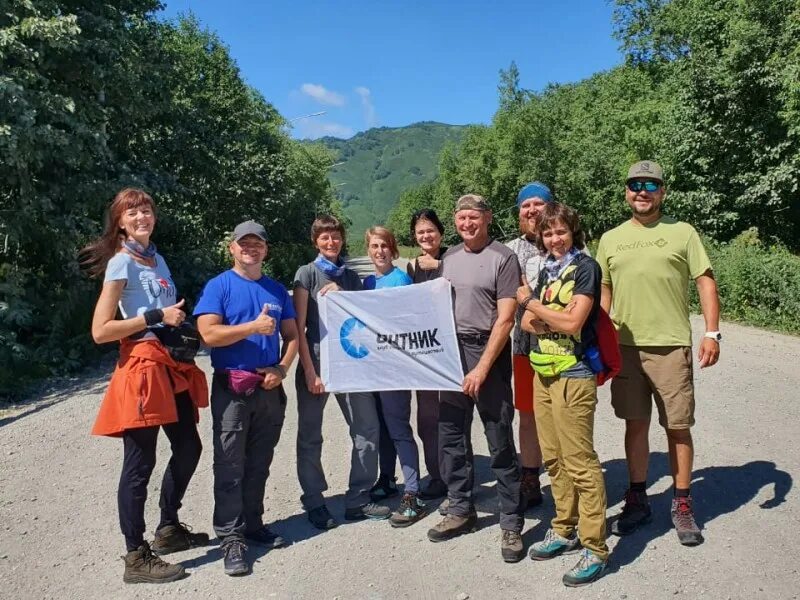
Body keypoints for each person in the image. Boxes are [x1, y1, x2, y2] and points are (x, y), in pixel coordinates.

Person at [84, 188, 208, 584]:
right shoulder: (121, 264)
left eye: (147, 209)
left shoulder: (156, 257)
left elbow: (164, 313)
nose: (142, 216)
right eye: (132, 211)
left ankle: (168, 528)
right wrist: (155, 315)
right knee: (140, 462)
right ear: (120, 221)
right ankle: (136, 555)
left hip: (170, 365)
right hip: (141, 367)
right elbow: (101, 331)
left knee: (189, 445)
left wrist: (179, 322)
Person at [596, 160, 720, 546]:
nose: (642, 191)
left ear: (662, 191)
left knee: (677, 426)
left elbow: (705, 280)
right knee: (635, 424)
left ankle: (682, 503)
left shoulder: (682, 232)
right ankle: (637, 498)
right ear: (626, 192)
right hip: (625, 347)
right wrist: (599, 338)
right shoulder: (610, 239)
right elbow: (603, 293)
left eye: (651, 184)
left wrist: (712, 333)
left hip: (670, 346)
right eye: (635, 184)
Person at [194, 220, 299, 576]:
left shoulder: (276, 290)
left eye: (257, 244)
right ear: (233, 248)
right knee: (229, 464)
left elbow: (292, 336)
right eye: (244, 244)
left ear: (265, 250)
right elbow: (207, 333)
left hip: (269, 386)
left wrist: (282, 369)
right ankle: (231, 537)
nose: (250, 249)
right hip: (232, 387)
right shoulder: (219, 286)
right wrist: (251, 328)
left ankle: (253, 524)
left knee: (259, 462)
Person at [426, 194, 526, 564]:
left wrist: (482, 367)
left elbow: (505, 320)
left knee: (498, 436)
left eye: (474, 217)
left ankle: (512, 522)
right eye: (461, 217)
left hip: (488, 353)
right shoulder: (449, 258)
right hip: (451, 353)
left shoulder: (504, 258)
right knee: (451, 434)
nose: (467, 223)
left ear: (487, 218)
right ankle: (460, 509)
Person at [516, 202, 609, 587]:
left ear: (573, 232)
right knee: (553, 459)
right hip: (543, 373)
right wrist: (545, 312)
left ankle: (596, 548)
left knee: (580, 462)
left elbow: (573, 322)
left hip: (573, 373)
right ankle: (563, 527)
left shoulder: (585, 267)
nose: (555, 239)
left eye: (561, 232)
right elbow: (526, 324)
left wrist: (534, 303)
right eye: (548, 233)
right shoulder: (549, 272)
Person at [293, 215, 390, 530]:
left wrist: (345, 294)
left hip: (350, 362)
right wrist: (309, 371)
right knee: (310, 435)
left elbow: (362, 320)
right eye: (324, 238)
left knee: (367, 428)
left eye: (335, 237)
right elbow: (299, 328)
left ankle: (358, 498)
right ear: (315, 241)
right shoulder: (305, 275)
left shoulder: (351, 278)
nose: (331, 242)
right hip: (317, 362)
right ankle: (315, 501)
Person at [362, 226, 426, 527]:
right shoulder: (367, 281)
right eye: (374, 246)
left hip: (395, 368)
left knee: (398, 427)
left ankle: (413, 490)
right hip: (372, 366)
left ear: (393, 249)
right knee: (382, 428)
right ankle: (386, 478)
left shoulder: (401, 279)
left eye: (384, 245)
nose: (379, 251)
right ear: (368, 250)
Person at [505, 181, 554, 508]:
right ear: (519, 212)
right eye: (526, 205)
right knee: (528, 415)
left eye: (539, 204)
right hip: (523, 348)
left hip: (567, 349)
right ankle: (530, 477)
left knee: (563, 416)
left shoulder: (566, 242)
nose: (532, 210)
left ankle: (568, 477)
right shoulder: (509, 250)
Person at [405, 209, 448, 500]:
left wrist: (441, 266)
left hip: (451, 347)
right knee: (427, 418)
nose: (426, 236)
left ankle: (457, 473)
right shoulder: (411, 268)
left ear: (441, 233)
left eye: (430, 230)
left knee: (453, 416)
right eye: (420, 232)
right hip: (424, 350)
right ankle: (436, 474)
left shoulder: (455, 258)